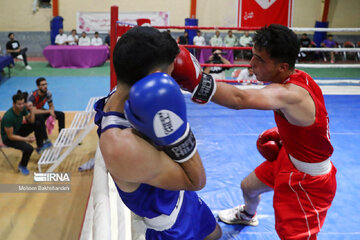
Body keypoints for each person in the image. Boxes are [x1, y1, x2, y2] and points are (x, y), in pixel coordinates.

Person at [170, 24, 337, 240]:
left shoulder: (291, 93)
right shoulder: (298, 77)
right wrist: (286, 134)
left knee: (293, 236)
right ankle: (248, 214)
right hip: (289, 157)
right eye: (253, 55)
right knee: (248, 187)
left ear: (282, 67)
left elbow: (241, 99)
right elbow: (314, 121)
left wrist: (197, 82)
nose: (251, 64)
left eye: (260, 59)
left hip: (308, 182)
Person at [93, 26, 221, 240]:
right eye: (171, 74)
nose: (173, 80)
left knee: (214, 234)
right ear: (156, 78)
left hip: (178, 194)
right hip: (170, 224)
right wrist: (179, 133)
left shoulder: (123, 91)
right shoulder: (121, 145)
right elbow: (196, 181)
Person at [1, 91, 50, 175]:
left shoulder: (23, 109)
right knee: (29, 148)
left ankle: (39, 146)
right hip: (8, 138)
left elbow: (31, 121)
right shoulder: (8, 117)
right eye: (19, 104)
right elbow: (11, 136)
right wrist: (27, 139)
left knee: (37, 123)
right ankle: (22, 165)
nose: (21, 106)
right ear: (14, 104)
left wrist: (32, 111)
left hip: (17, 131)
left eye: (23, 103)